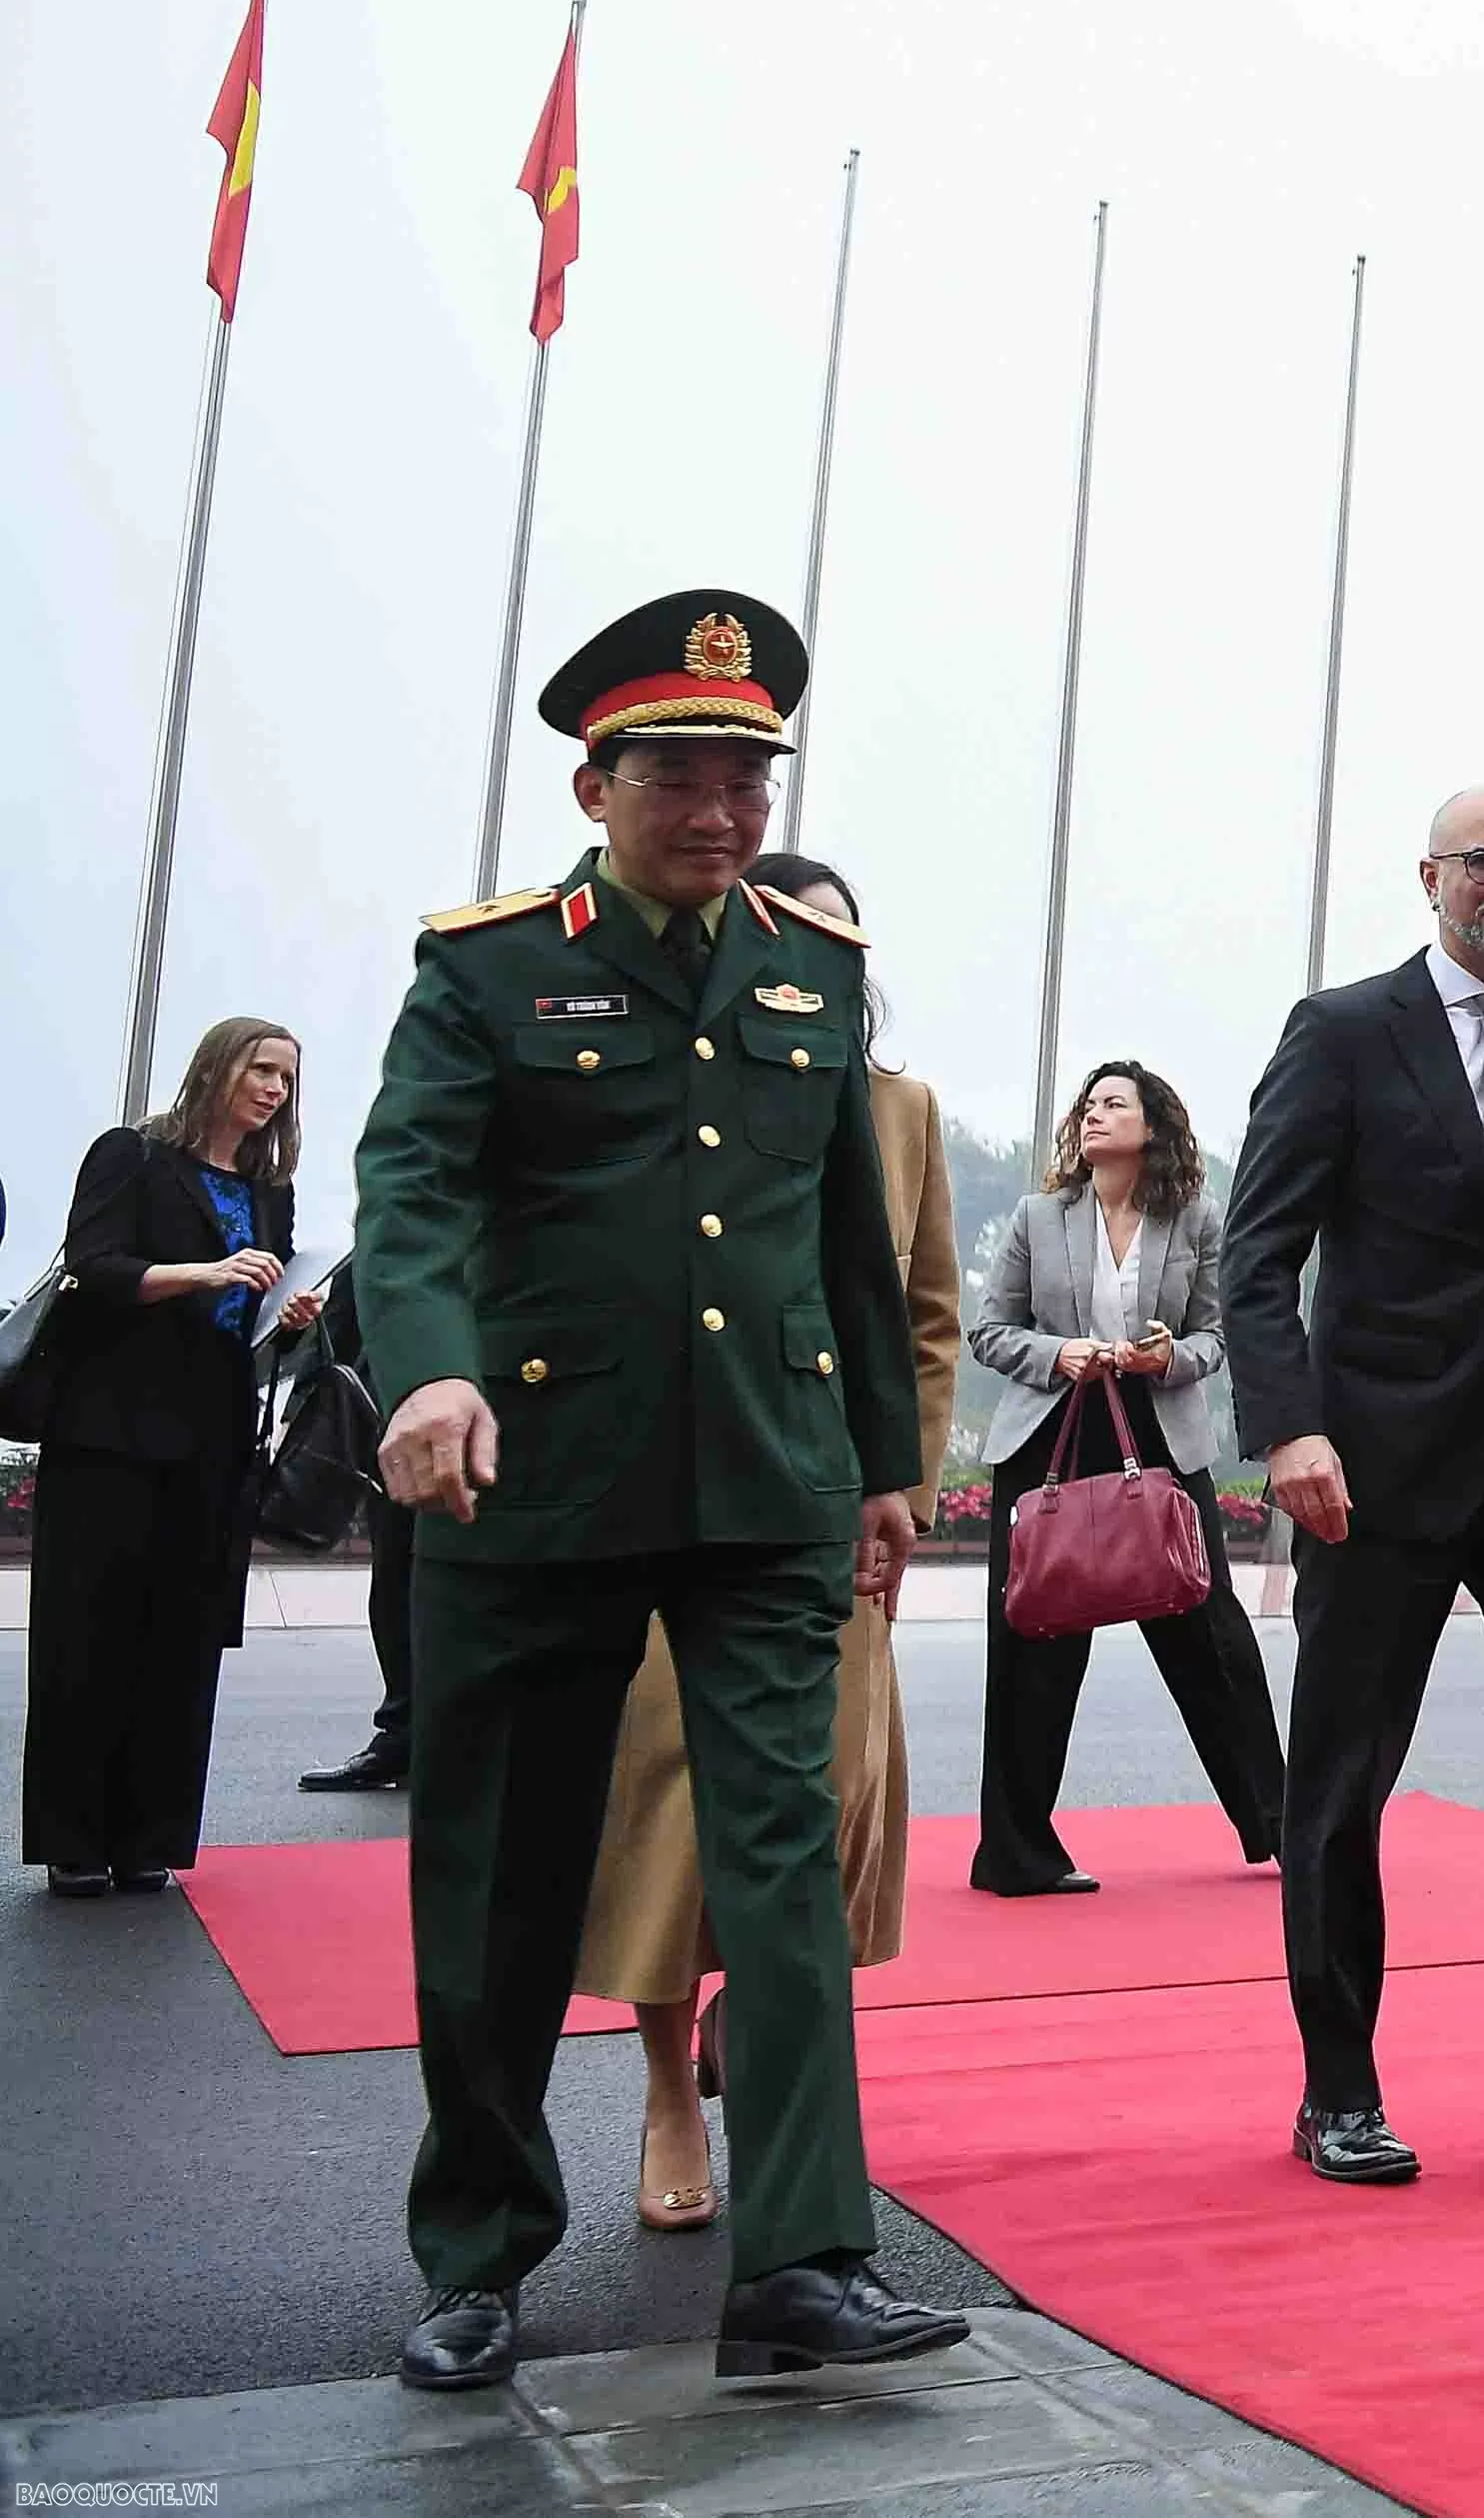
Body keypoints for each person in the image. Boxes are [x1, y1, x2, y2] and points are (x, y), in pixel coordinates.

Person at [357, 587, 960, 2391]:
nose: (717, 812)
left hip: (767, 1484)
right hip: (529, 1480)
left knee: (780, 1855)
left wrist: (879, 1471)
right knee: (502, 1875)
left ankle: (803, 2257)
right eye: (680, 777)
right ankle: (477, 2251)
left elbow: (850, 1239)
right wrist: (433, 1363)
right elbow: (415, 1190)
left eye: (746, 782)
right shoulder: (481, 967)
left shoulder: (812, 967)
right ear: (592, 783)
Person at [1223, 783, 1484, 2188]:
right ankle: (1336, 2081)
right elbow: (1260, 1253)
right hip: (1375, 1466)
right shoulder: (1343, 1031)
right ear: (1431, 877)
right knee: (1342, 1779)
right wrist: (1290, 1430)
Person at [572, 851, 965, 2234]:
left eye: (843, 940)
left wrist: (900, 1486)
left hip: (833, 1503)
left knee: (833, 1800)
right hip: (673, 1504)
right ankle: (671, 2087)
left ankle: (768, 2015)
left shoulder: (902, 1108)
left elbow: (924, 1318)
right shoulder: (675, 1072)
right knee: (673, 1804)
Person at [964, 1058, 1287, 1895]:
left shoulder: (1196, 1218)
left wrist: (1168, 1354)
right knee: (1033, 1635)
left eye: (1115, 1103)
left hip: (1158, 1436)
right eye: (1089, 1104)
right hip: (1051, 1440)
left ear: (1153, 1126)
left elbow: (1216, 1336)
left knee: (1211, 1635)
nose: (1095, 1115)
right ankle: (1015, 1853)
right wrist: (1059, 1352)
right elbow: (989, 1331)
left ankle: (1284, 1828)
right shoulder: (1041, 1216)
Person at [25, 1019, 322, 1894]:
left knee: (182, 1640)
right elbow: (95, 1268)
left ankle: (149, 1837)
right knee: (87, 1635)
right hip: (107, 1432)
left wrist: (287, 1321)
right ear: (216, 1066)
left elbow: (250, 1327)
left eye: (285, 1078)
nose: (273, 1088)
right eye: (261, 1069)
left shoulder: (271, 1190)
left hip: (214, 1435)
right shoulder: (132, 1155)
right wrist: (205, 1271)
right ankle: (73, 1842)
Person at [293, 1260, 415, 1794]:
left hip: (507, 1428)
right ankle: (402, 1736)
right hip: (392, 1436)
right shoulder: (381, 1241)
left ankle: (467, 1741)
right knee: (396, 1587)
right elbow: (336, 1341)